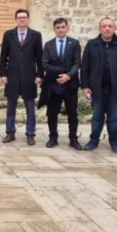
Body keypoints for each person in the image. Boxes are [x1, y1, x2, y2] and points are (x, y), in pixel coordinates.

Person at [81, 17, 117, 154]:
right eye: (104, 26)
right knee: (97, 116)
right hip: (97, 89)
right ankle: (93, 141)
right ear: (100, 29)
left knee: (114, 117)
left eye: (110, 26)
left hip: (116, 89)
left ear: (114, 28)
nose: (107, 28)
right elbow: (85, 67)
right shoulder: (92, 44)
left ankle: (114, 142)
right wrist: (85, 86)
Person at [0, 9, 43, 145]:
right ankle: (10, 132)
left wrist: (39, 75)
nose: (22, 19)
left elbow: (40, 58)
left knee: (30, 107)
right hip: (12, 76)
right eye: (19, 17)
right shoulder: (8, 35)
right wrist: (3, 74)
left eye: (24, 17)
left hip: (29, 76)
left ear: (28, 19)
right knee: (11, 107)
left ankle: (30, 134)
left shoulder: (36, 35)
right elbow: (3, 57)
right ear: (16, 20)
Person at [38, 18, 82, 150]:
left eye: (63, 27)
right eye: (58, 27)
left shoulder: (74, 43)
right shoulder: (48, 44)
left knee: (72, 113)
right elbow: (45, 63)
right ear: (54, 29)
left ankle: (73, 138)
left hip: (70, 84)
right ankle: (53, 137)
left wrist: (68, 75)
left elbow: (77, 62)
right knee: (52, 112)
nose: (61, 29)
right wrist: (60, 73)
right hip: (53, 83)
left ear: (67, 28)